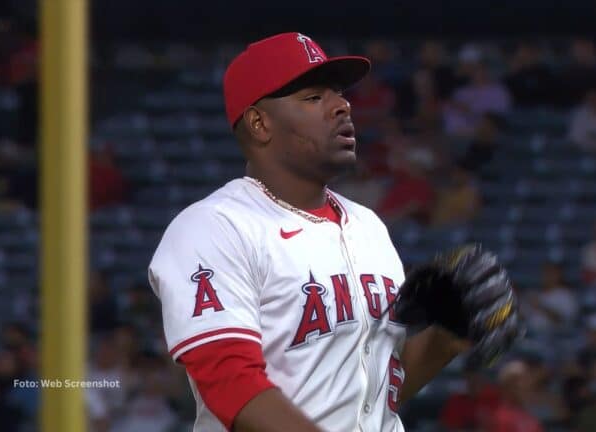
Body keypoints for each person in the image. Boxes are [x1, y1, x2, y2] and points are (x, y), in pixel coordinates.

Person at [148, 32, 478, 432]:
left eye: (339, 94)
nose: (342, 105)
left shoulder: (368, 226)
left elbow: (375, 392)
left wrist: (446, 338)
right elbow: (231, 384)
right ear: (260, 124)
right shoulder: (214, 227)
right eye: (314, 97)